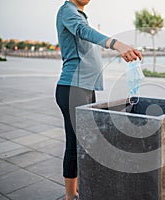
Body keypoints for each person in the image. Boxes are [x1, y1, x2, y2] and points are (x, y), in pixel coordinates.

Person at [55, 0, 142, 199]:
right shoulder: (67, 11)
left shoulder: (78, 14)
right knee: (75, 142)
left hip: (85, 87)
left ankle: (78, 190)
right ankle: (71, 196)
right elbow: (84, 32)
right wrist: (117, 44)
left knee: (84, 142)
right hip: (73, 88)